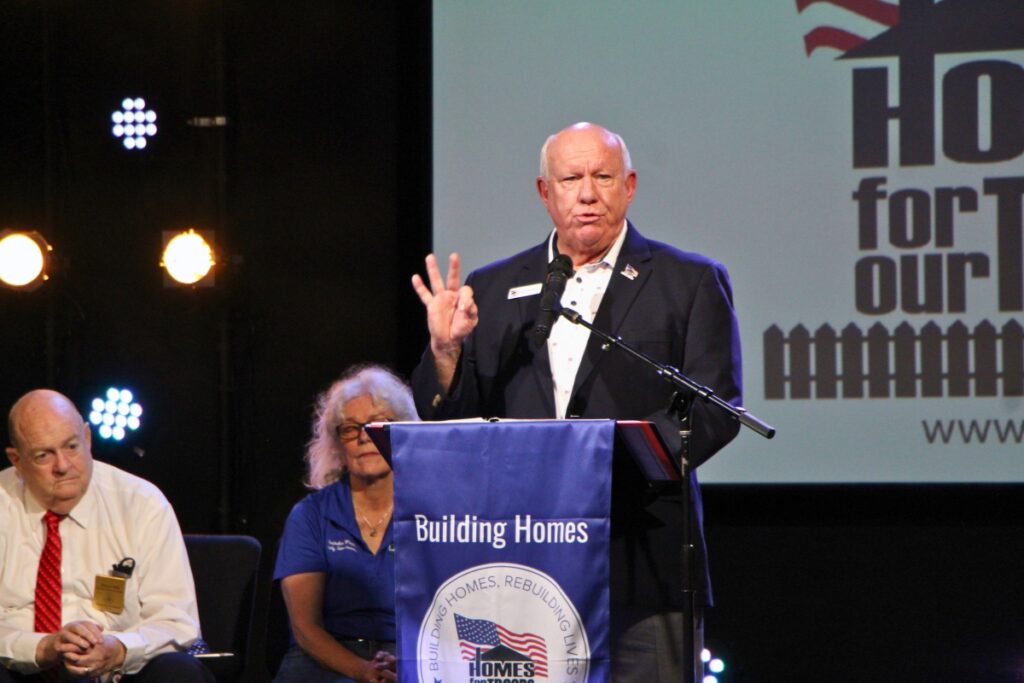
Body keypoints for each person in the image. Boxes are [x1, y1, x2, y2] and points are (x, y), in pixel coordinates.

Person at [410, 122, 743, 681]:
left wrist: (600, 468)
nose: (587, 193)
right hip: (521, 560)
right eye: (570, 178)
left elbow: (714, 409)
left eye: (603, 176)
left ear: (629, 186)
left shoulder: (689, 282)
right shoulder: (491, 291)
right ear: (546, 192)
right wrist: (445, 350)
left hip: (640, 557)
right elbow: (445, 415)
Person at [0, 389, 213, 683]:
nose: (62, 466)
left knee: (178, 672)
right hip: (20, 670)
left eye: (71, 446)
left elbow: (178, 623)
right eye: (43, 455)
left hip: (117, 673)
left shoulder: (141, 503)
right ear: (17, 460)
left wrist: (119, 649)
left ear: (87, 438)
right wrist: (42, 647)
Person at [273, 364, 418, 683]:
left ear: (406, 431)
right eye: (351, 429)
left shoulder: (431, 509)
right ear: (338, 444)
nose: (365, 438)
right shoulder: (311, 515)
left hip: (411, 653)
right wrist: (361, 670)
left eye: (379, 425)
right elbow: (305, 628)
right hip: (326, 658)